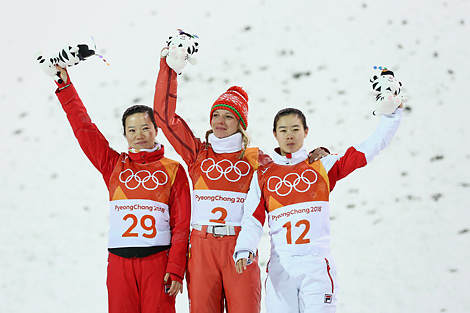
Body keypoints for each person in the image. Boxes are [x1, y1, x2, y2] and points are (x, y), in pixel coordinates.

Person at [153, 50, 328, 313]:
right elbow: (165, 119)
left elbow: (290, 169)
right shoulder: (198, 153)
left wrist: (318, 156)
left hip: (239, 249)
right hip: (201, 249)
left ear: (241, 123)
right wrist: (169, 70)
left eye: (229, 116)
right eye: (216, 115)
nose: (220, 122)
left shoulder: (257, 159)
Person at [233, 104, 403, 313]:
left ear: (306, 132)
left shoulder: (323, 165)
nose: (290, 136)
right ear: (275, 134)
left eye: (295, 129)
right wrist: (245, 247)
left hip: (316, 266)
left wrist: (392, 116)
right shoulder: (263, 175)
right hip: (281, 267)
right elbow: (252, 219)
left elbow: (367, 150)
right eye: (283, 130)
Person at [51, 65, 191, 313]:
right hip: (119, 264)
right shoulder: (113, 165)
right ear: (125, 134)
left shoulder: (173, 170)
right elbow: (85, 130)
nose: (139, 135)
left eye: (145, 128)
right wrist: (65, 88)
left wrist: (176, 268)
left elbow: (181, 225)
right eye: (132, 130)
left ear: (156, 130)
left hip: (158, 263)